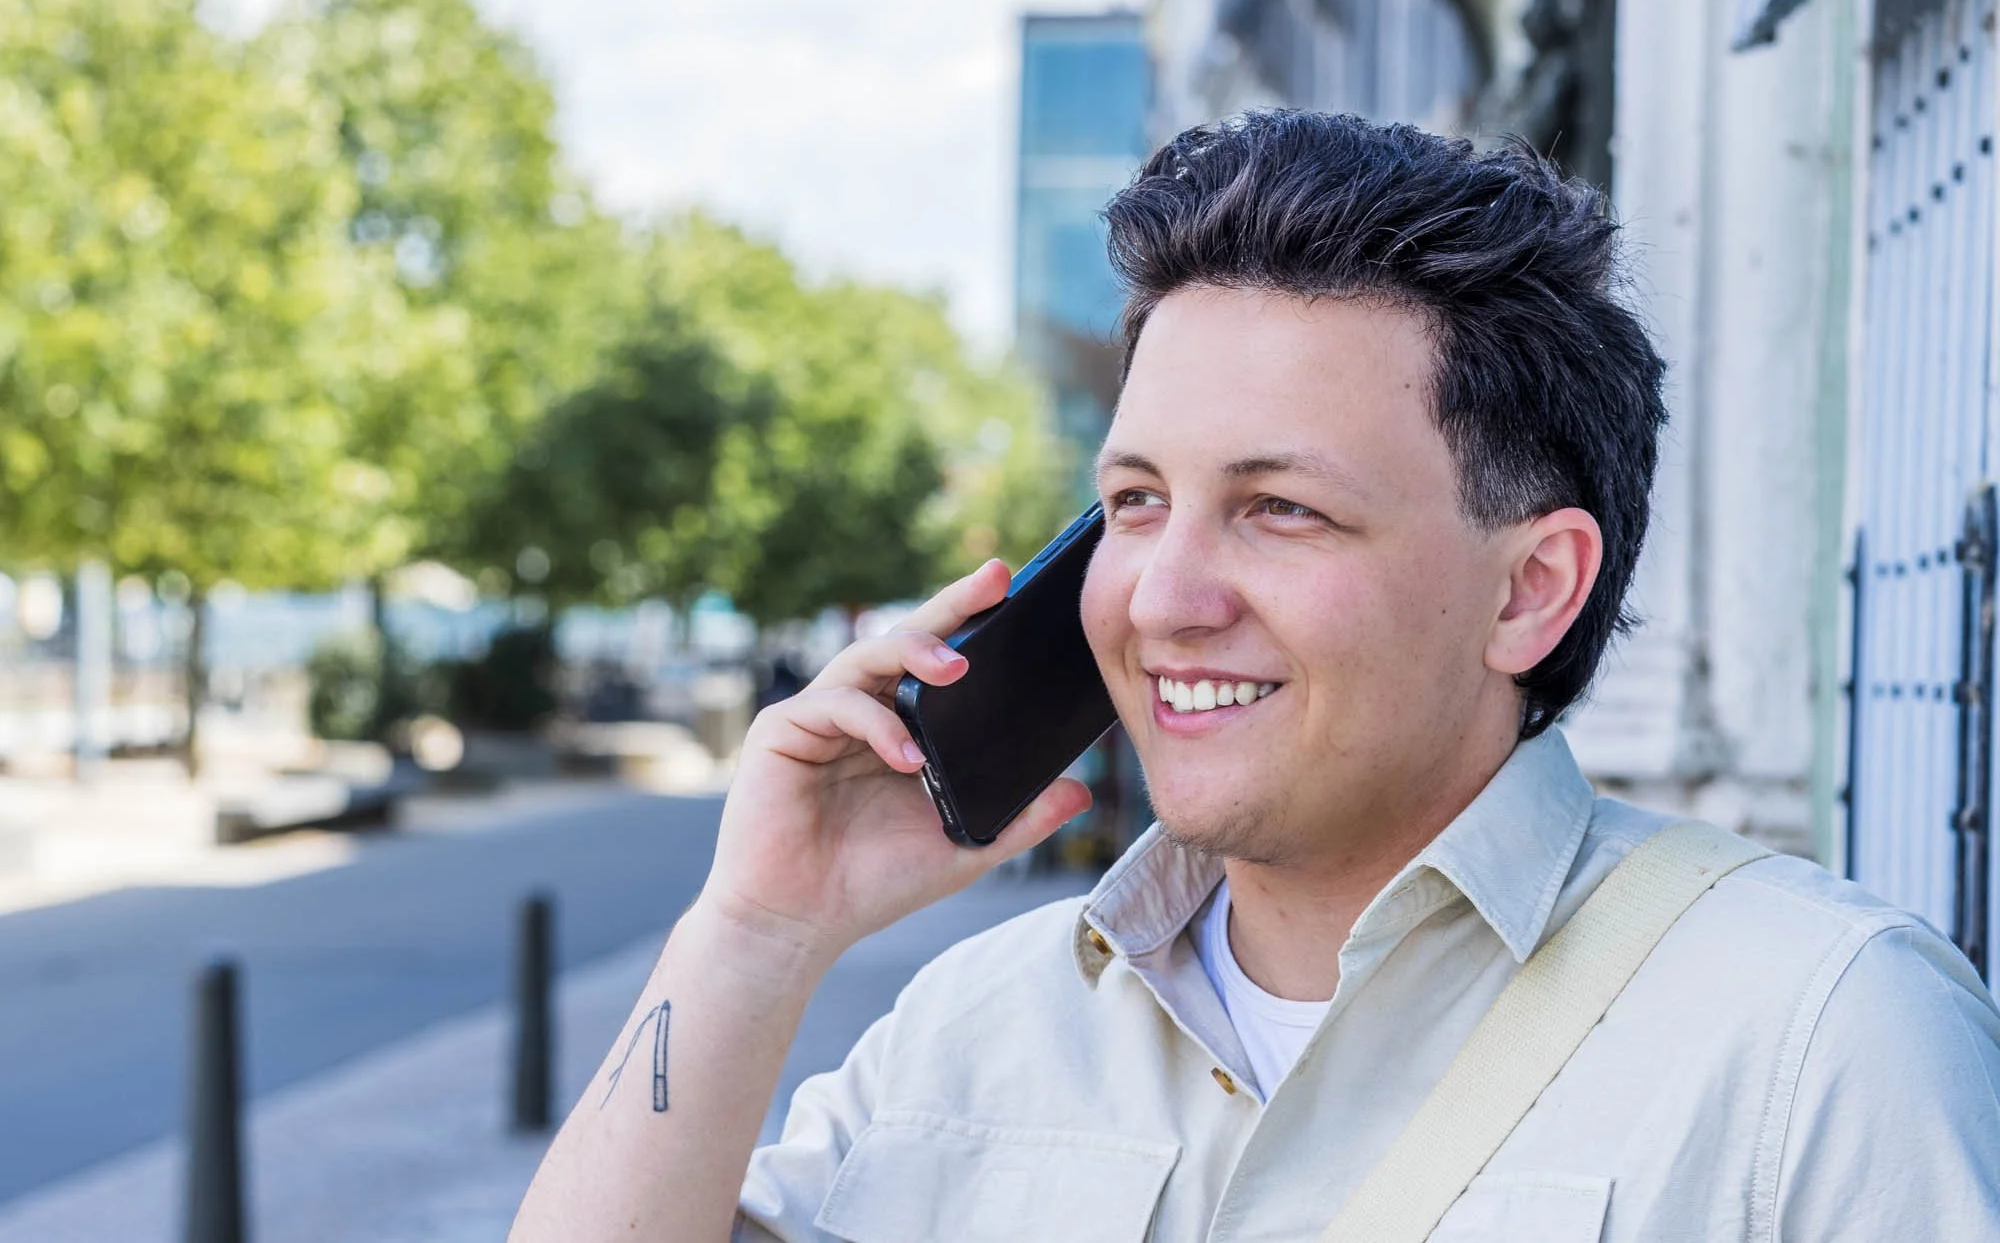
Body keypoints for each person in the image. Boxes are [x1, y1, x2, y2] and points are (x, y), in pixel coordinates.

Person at [511, 112, 2000, 1242]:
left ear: (1531, 588)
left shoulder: (1821, 1038)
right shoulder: (973, 1031)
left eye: (1281, 508)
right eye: (1136, 500)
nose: (1164, 597)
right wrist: (755, 934)